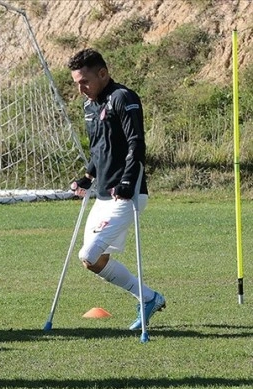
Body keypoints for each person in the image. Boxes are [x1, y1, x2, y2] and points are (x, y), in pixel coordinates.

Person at [67, 48, 166, 331]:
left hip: (128, 195)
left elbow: (136, 144)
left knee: (88, 253)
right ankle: (149, 298)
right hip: (102, 196)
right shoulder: (89, 106)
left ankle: (148, 298)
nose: (80, 87)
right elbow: (99, 150)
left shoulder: (124, 98)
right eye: (76, 82)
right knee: (92, 261)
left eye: (84, 81)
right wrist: (87, 176)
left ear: (103, 73)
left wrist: (127, 181)